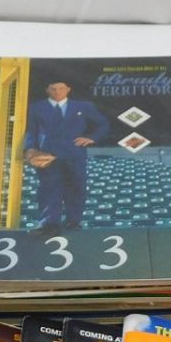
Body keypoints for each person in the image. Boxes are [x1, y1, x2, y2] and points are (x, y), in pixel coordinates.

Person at [22, 81, 110, 233]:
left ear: (68, 89)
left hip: (74, 153)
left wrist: (92, 137)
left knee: (76, 187)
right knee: (48, 188)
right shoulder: (36, 107)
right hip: (47, 154)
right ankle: (48, 223)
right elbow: (32, 130)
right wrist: (30, 148)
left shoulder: (83, 106)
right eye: (53, 88)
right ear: (47, 89)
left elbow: (103, 124)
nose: (57, 91)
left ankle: (73, 221)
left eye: (61, 88)